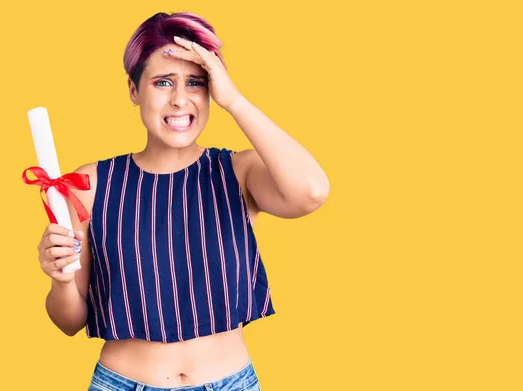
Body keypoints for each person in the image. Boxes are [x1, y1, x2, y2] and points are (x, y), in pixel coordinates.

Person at [36, 11, 329, 391]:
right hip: (121, 382)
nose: (179, 100)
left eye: (196, 82)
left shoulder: (239, 173)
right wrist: (60, 279)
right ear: (133, 89)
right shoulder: (88, 184)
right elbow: (69, 322)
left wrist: (235, 100)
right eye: (162, 82)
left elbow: (311, 192)